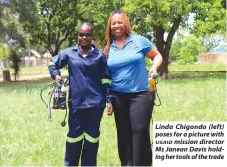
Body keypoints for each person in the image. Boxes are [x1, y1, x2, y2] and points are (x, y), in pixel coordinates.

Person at [48, 22, 113, 166]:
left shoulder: (99, 56)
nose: (84, 37)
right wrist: (56, 75)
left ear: (92, 36)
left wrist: (109, 100)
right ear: (78, 36)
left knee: (92, 137)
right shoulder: (69, 53)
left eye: (87, 34)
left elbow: (106, 79)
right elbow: (52, 63)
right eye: (81, 34)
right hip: (76, 103)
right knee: (74, 137)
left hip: (96, 104)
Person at [103, 10, 163, 166]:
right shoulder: (108, 49)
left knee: (139, 130)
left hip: (142, 94)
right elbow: (106, 77)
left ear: (126, 24)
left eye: (120, 22)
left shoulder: (139, 41)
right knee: (123, 134)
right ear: (110, 26)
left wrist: (155, 67)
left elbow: (157, 55)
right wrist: (109, 99)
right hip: (118, 96)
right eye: (113, 23)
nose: (117, 26)